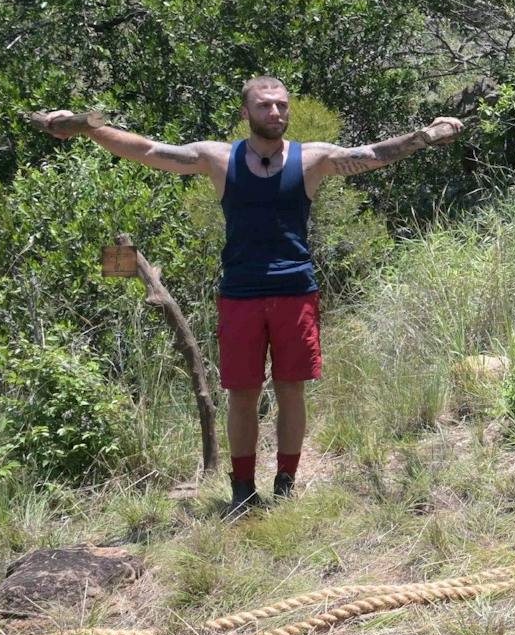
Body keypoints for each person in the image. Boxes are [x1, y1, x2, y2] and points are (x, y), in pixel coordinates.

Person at [29, 78, 463, 517]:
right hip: (240, 293)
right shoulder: (217, 157)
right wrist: (88, 129)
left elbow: (368, 155)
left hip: (295, 289)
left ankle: (287, 483)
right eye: (264, 106)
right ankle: (241, 488)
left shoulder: (313, 158)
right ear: (245, 113)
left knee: (292, 389)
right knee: (242, 393)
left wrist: (423, 136)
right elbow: (148, 150)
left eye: (281, 106)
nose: (275, 113)